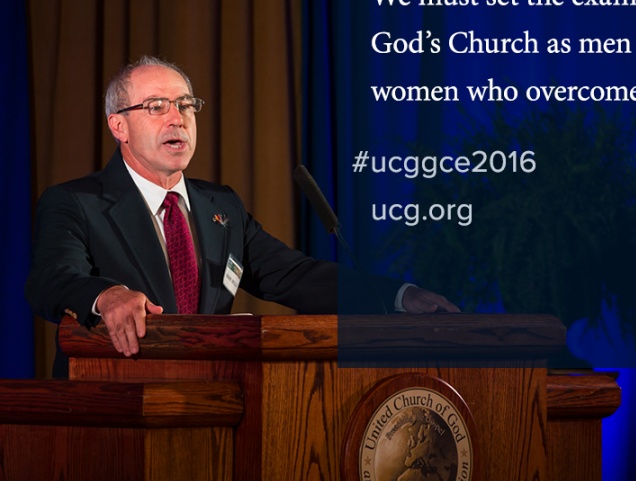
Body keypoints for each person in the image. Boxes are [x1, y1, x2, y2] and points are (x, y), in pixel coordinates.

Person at [26, 56, 459, 376]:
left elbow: (294, 276)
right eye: (156, 106)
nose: (177, 118)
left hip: (214, 394)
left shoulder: (222, 208)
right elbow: (48, 281)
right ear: (118, 126)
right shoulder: (75, 202)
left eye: (186, 104)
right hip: (114, 400)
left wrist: (399, 296)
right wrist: (107, 295)